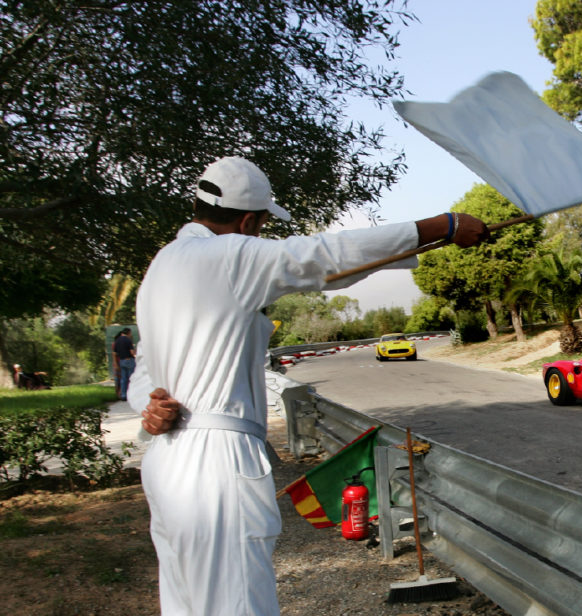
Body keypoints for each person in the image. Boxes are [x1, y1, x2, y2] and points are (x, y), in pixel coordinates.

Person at [128, 156, 489, 615]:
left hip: (166, 461)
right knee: (237, 602)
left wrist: (148, 406)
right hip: (214, 463)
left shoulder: (161, 268)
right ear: (247, 221)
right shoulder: (230, 256)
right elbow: (325, 255)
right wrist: (441, 225)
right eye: (259, 227)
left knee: (186, 600)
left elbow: (144, 371)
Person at [112, 328, 135, 401]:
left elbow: (114, 353)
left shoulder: (117, 341)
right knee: (131, 378)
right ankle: (132, 394)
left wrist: (116, 363)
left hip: (121, 361)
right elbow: (132, 352)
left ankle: (123, 395)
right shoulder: (128, 340)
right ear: (128, 333)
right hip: (129, 360)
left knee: (123, 379)